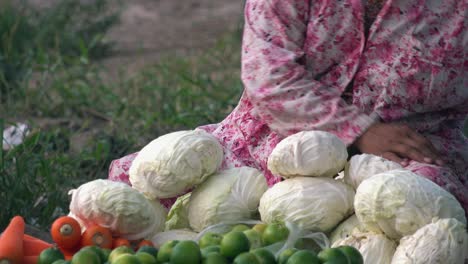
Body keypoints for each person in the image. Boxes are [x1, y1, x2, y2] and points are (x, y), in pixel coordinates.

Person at [109, 0, 468, 213]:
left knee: (421, 210)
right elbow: (268, 76)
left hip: (408, 151)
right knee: (142, 188)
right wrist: (358, 130)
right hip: (271, 140)